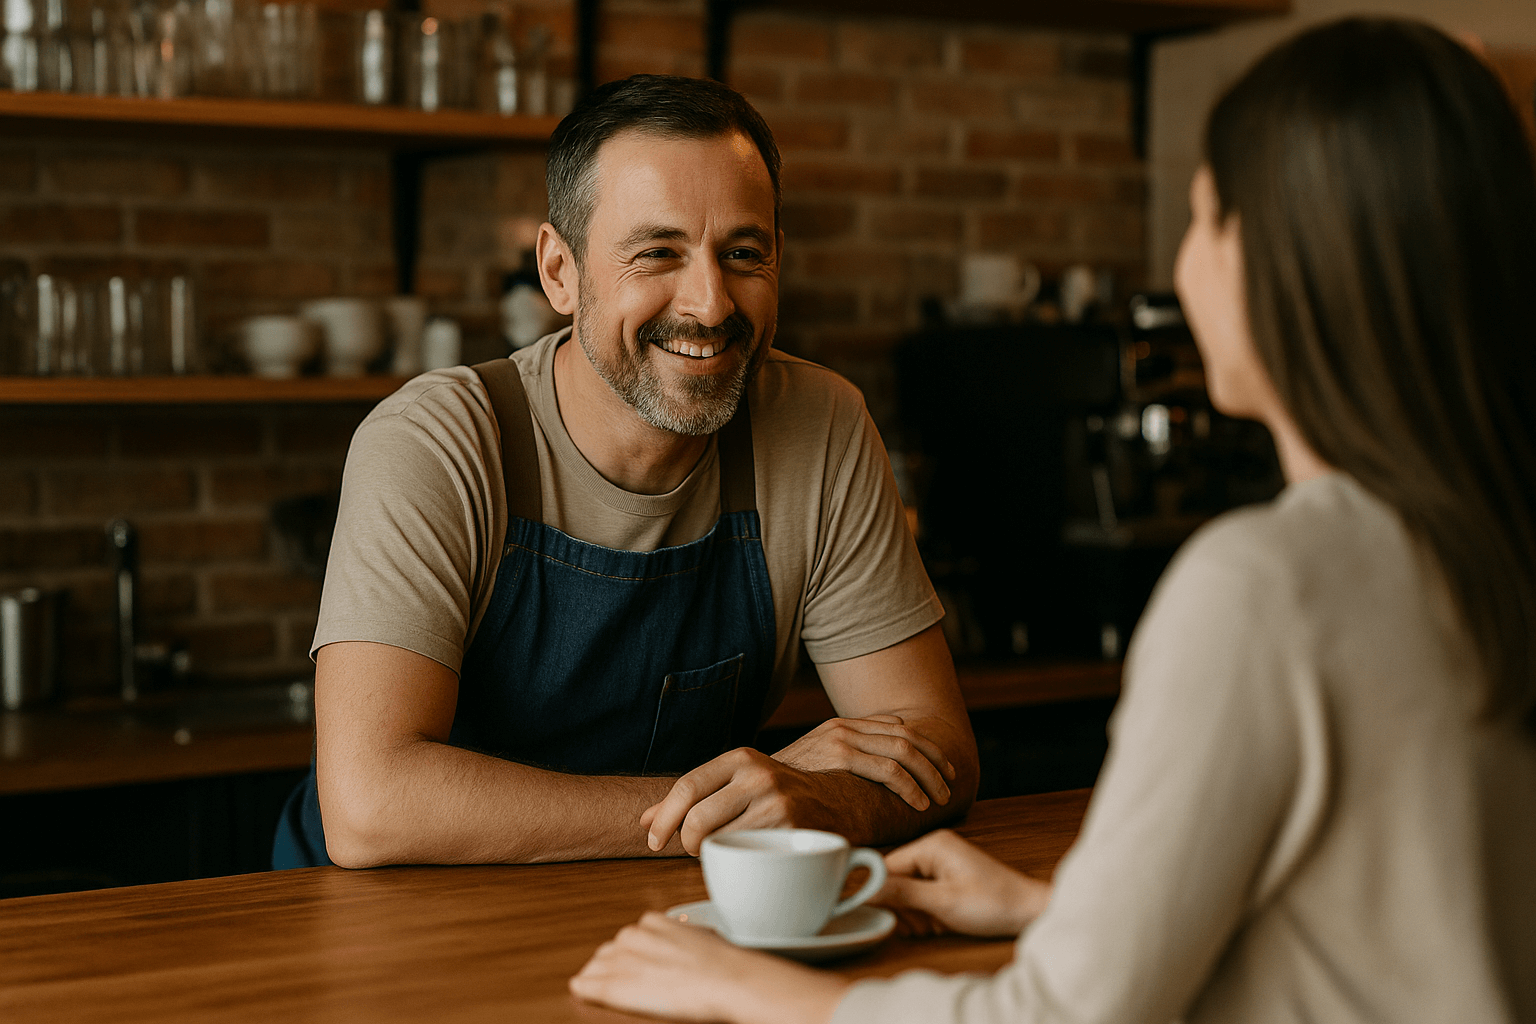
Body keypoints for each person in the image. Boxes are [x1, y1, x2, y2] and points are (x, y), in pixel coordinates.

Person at [570, 18, 1536, 1023]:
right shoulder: (1485, 539)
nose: (1182, 261)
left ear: (1293, 265)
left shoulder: (1267, 587)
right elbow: (1398, 922)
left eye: (1206, 218)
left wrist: (759, 992)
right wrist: (1067, 908)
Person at [270, 75, 980, 870]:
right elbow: (372, 806)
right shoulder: (439, 442)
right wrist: (728, 815)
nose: (710, 304)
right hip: (388, 934)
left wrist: (826, 800)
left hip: (662, 917)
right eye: (658, 253)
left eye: (744, 253)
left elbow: (937, 745)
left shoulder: (820, 425)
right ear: (559, 272)